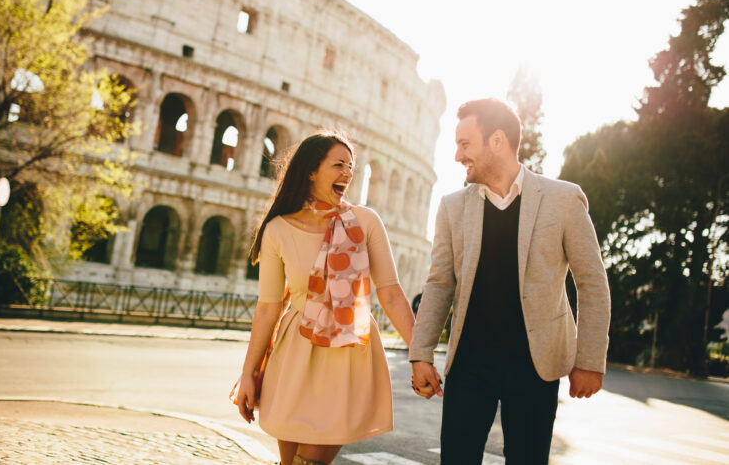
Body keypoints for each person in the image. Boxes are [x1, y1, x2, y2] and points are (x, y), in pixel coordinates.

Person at [409, 98, 611, 464]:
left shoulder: (563, 199)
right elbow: (440, 284)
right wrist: (421, 353)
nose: (457, 155)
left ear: (497, 140)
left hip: (536, 366)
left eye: (465, 144)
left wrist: (590, 360)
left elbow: (592, 283)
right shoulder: (452, 207)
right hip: (469, 366)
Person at [233, 130, 416, 465]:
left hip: (348, 353)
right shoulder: (278, 229)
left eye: (351, 166)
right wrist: (248, 374)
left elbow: (390, 292)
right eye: (339, 164)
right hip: (294, 353)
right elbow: (268, 307)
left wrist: (419, 355)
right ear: (311, 171)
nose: (348, 172)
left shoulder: (365, 222)